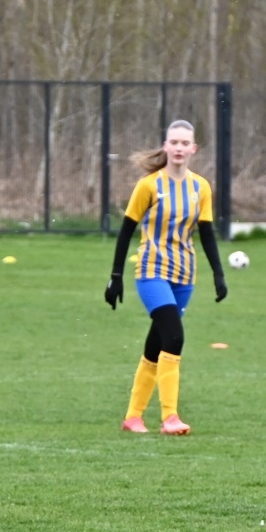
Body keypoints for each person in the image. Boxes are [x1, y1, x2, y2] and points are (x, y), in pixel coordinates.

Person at [104, 119, 227, 435]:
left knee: (156, 343)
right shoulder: (149, 185)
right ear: (165, 146)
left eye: (185, 143)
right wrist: (116, 276)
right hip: (151, 272)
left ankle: (133, 417)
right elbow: (126, 230)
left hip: (184, 275)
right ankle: (170, 417)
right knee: (174, 336)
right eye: (174, 142)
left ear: (193, 149)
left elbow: (207, 232)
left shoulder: (201, 187)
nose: (179, 148)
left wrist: (218, 274)